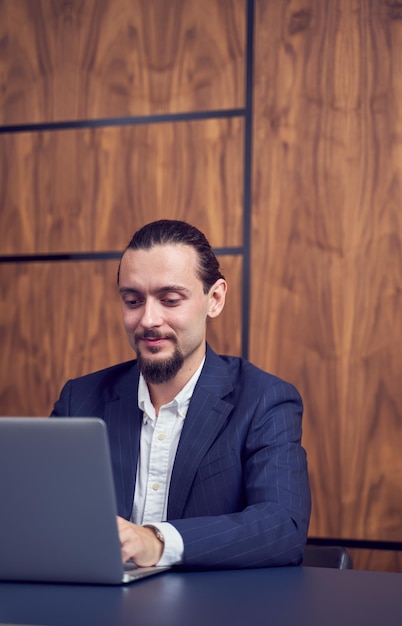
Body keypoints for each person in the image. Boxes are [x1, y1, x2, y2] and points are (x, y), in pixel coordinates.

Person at [51, 219, 311, 569]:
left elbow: (282, 528)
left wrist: (156, 541)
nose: (148, 319)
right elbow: (38, 514)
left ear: (214, 299)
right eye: (132, 300)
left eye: (170, 300)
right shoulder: (79, 399)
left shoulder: (265, 400)